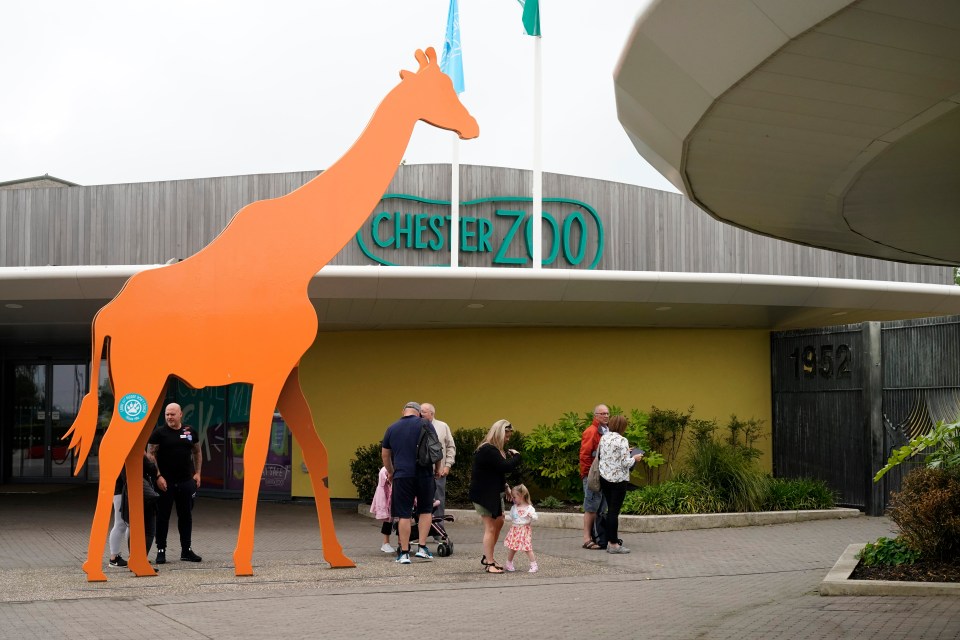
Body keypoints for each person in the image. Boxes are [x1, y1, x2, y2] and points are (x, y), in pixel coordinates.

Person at [381, 401, 441, 564]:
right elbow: (436, 449)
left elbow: (385, 455)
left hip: (402, 475)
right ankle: (422, 548)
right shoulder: (426, 424)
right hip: (425, 474)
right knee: (425, 510)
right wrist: (437, 469)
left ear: (403, 412)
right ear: (418, 412)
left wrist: (392, 473)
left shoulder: (392, 428)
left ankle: (405, 553)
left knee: (404, 514)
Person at [147, 402, 202, 565]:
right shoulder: (159, 433)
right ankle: (161, 550)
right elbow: (151, 455)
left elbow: (197, 451)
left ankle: (186, 550)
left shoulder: (189, 431)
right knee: (162, 517)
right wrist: (158, 476)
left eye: (172, 414)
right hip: (165, 483)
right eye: (167, 414)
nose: (169, 417)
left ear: (180, 415)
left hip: (186, 482)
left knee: (186, 516)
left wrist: (198, 473)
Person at [469, 419, 521, 574]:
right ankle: (489, 563)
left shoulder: (495, 450)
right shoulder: (488, 450)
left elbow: (497, 471)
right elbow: (505, 467)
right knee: (490, 527)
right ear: (499, 433)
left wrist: (506, 487)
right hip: (484, 494)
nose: (508, 439)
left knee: (499, 522)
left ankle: (488, 556)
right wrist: (517, 457)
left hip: (494, 492)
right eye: (507, 436)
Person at [598, 414, 644, 554]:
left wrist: (626, 452)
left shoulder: (604, 437)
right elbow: (625, 463)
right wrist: (635, 457)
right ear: (623, 427)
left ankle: (608, 541)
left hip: (604, 478)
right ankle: (613, 544)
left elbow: (606, 455)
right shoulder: (622, 440)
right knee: (614, 512)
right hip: (618, 481)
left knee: (609, 509)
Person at [579, 404, 610, 549]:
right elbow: (585, 455)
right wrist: (587, 475)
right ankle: (587, 538)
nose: (605, 416)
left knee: (600, 507)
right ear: (595, 415)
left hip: (604, 474)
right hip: (593, 475)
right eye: (602, 413)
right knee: (591, 507)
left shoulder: (607, 430)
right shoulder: (591, 432)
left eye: (607, 413)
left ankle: (598, 536)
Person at [121, 452, 160, 559]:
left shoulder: (123, 451)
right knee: (149, 530)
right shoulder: (137, 451)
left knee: (134, 528)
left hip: (130, 492)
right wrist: (148, 457)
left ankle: (133, 558)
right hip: (143, 495)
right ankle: (140, 560)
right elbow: (152, 469)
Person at [420, 402, 455, 520]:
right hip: (421, 471)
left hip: (439, 472)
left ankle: (438, 533)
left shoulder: (443, 426)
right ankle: (418, 532)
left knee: (439, 501)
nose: (421, 414)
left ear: (432, 413)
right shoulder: (417, 426)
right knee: (420, 503)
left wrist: (447, 466)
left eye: (423, 412)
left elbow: (450, 447)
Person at [503, 483, 539, 573]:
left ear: (522, 496)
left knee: (527, 548)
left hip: (524, 531)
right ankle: (509, 563)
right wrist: (503, 517)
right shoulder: (514, 508)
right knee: (513, 548)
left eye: (514, 497)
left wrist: (532, 516)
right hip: (515, 530)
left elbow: (535, 517)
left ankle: (534, 565)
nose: (513, 499)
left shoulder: (529, 508)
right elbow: (511, 517)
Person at [370, 466, 395, 553]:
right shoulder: (385, 470)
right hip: (387, 498)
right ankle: (386, 543)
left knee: (401, 518)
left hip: (393, 496)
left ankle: (400, 542)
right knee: (388, 519)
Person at [108, 470, 130, 567]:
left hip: (121, 490)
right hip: (121, 491)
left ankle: (116, 557)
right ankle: (114, 558)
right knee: (120, 525)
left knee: (127, 525)